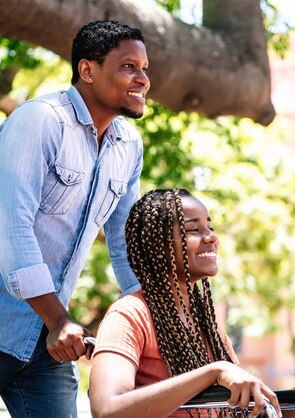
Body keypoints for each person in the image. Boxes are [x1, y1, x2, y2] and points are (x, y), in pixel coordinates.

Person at [89, 189, 295, 418]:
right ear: (157, 244)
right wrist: (214, 372)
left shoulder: (205, 322)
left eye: (210, 227)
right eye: (194, 229)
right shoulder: (129, 315)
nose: (211, 237)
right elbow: (107, 410)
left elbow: (254, 411)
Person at [0, 20, 149, 417]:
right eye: (129, 67)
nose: (143, 79)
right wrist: (58, 319)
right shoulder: (40, 120)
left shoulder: (128, 145)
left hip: (45, 341)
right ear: (88, 70)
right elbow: (11, 226)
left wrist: (155, 320)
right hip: (35, 322)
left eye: (144, 68)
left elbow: (124, 242)